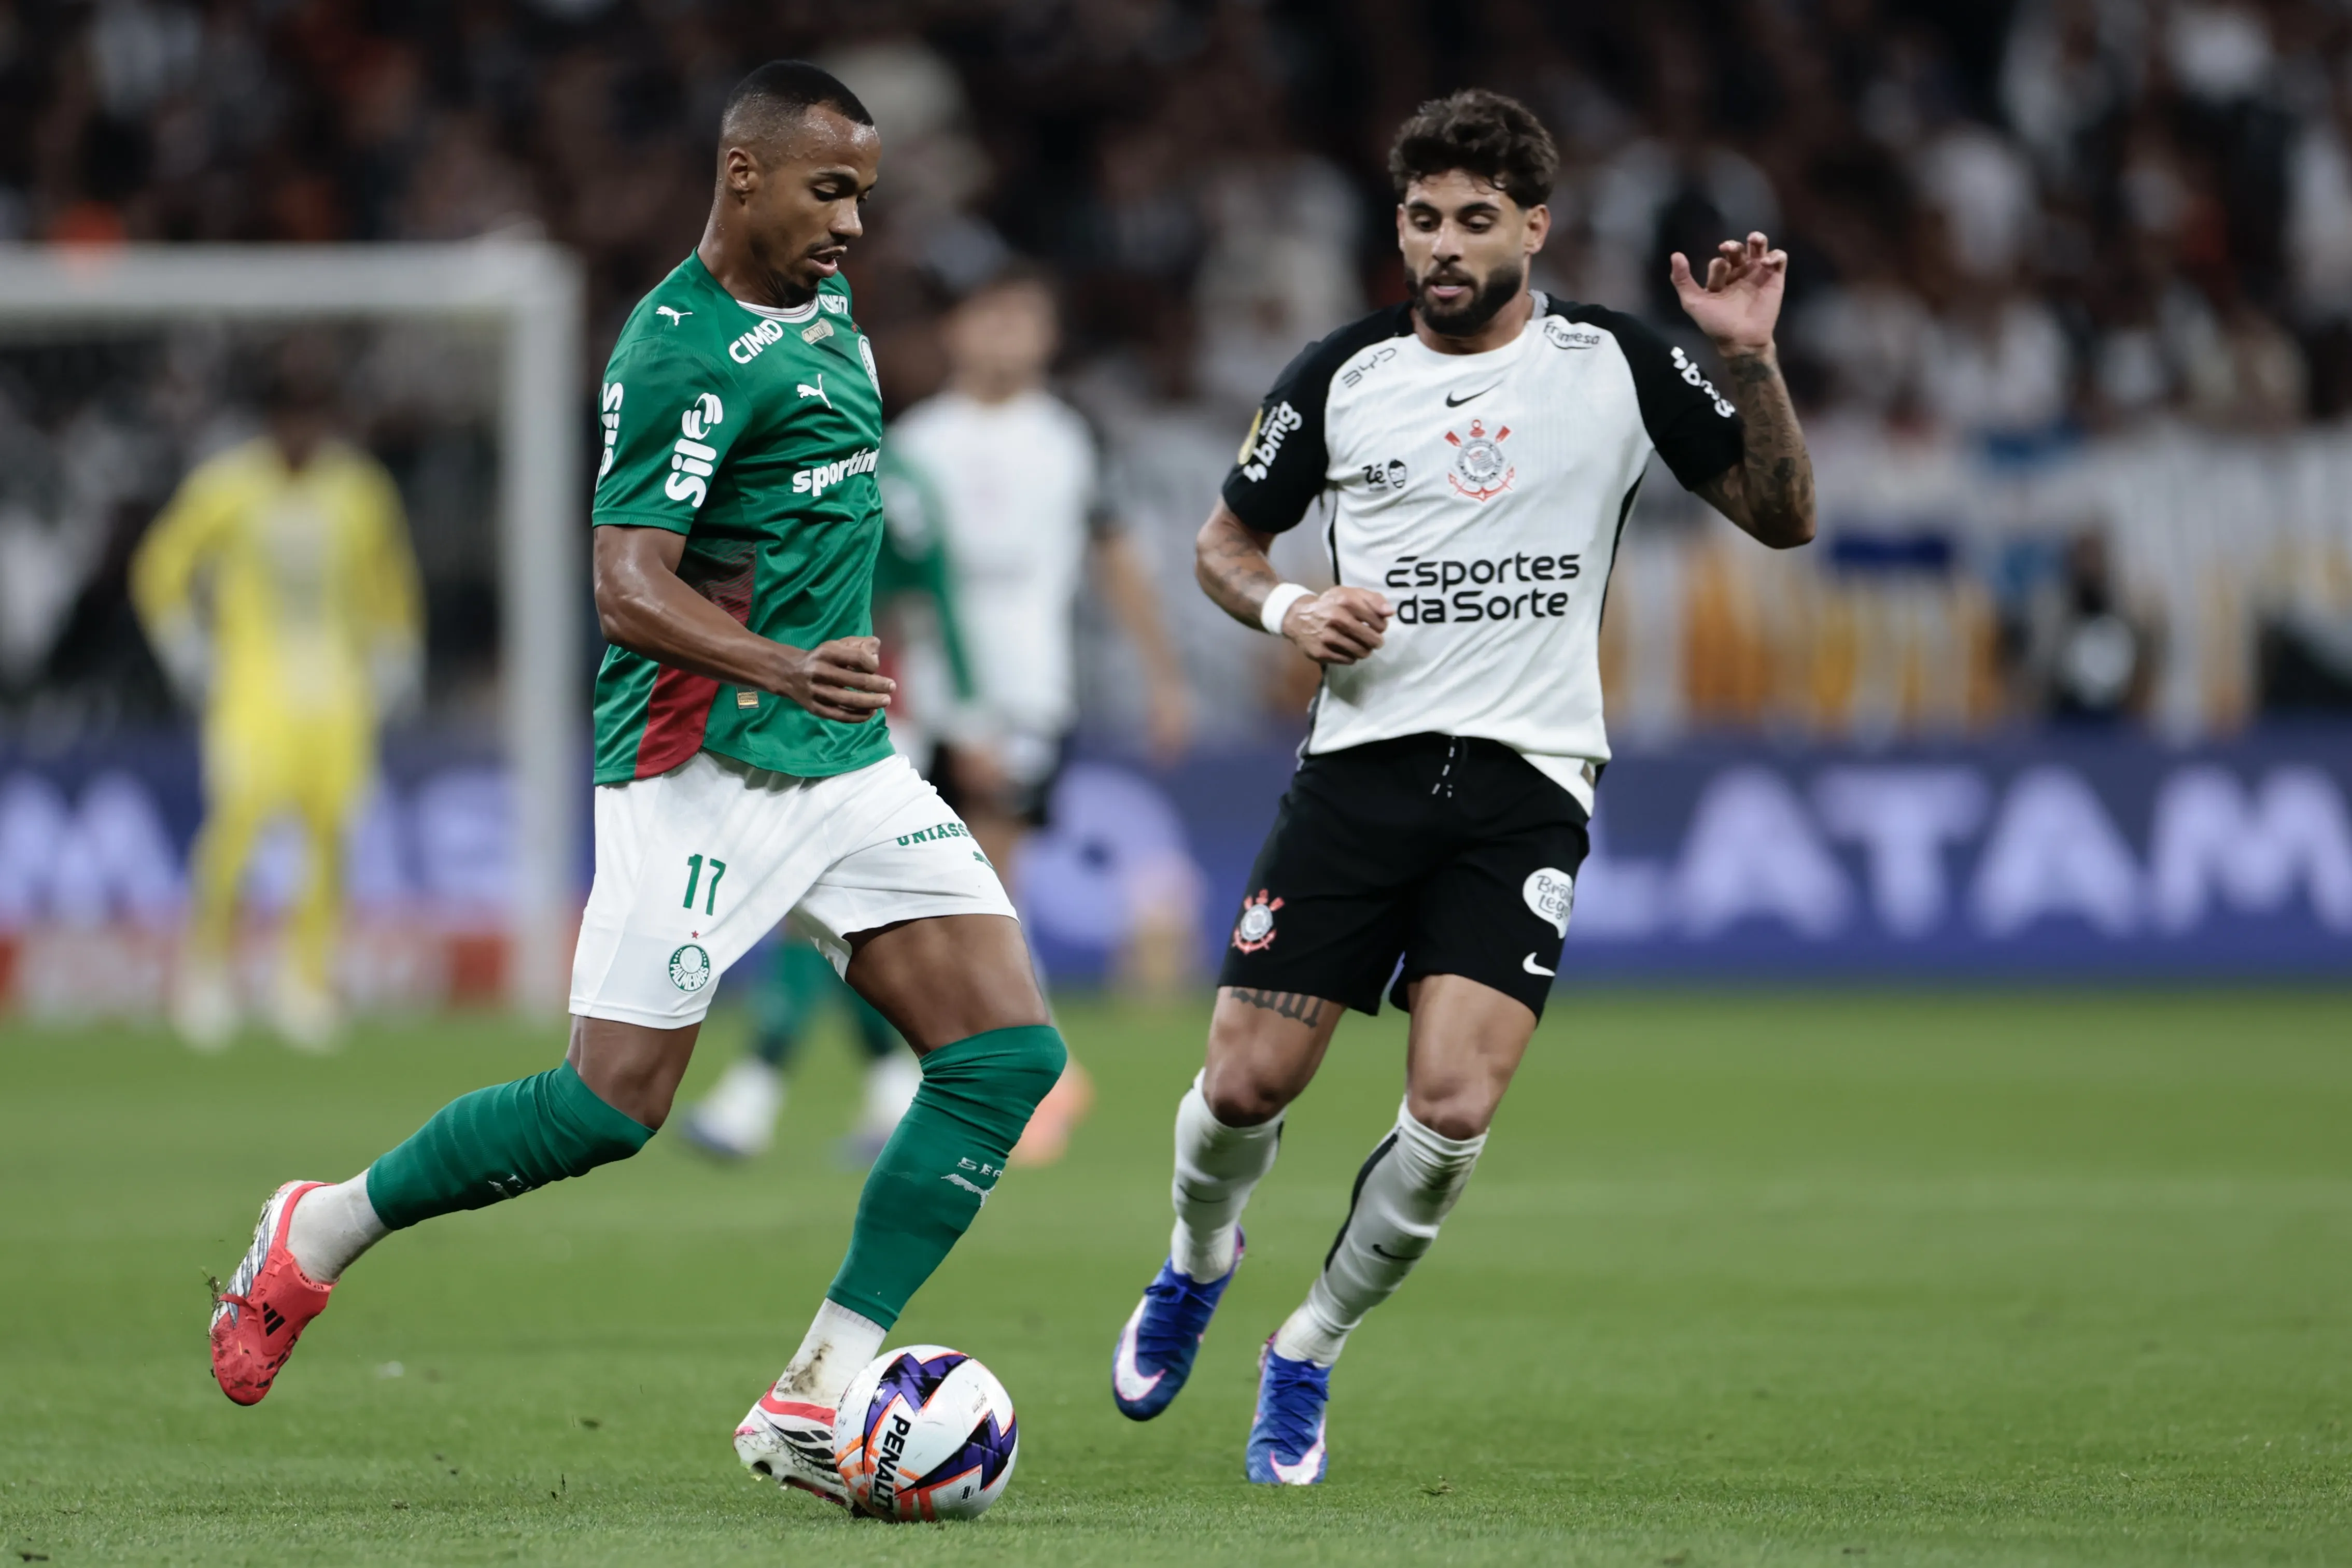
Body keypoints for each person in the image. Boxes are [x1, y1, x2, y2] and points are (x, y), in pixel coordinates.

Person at [206, 63, 1071, 1513]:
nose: (855, 224)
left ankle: (816, 1392)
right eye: (830, 190)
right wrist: (782, 665)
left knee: (1007, 1058)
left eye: (864, 194)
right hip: (697, 768)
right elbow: (625, 586)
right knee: (608, 1108)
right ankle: (320, 1228)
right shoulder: (677, 351)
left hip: (844, 769)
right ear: (744, 175)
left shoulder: (831, 309)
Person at [1107, 90, 1816, 1484]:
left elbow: (1783, 517)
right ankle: (1196, 1261)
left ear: (1534, 229)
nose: (1444, 244)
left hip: (1526, 787)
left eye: (1476, 220)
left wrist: (1749, 361)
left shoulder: (1616, 364)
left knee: (1452, 1111)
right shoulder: (1340, 374)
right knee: (1246, 1083)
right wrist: (1291, 611)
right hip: (1359, 776)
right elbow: (1223, 544)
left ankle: (1309, 1346)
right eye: (1424, 218)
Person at [892, 265, 1195, 1163]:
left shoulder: (1069, 437)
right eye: (991, 317)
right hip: (924, 693)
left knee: (989, 878)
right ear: (956, 330)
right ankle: (1014, 1065)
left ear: (1049, 338)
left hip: (1027, 689)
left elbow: (1117, 556)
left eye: (1025, 319)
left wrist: (1164, 677)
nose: (1007, 335)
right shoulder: (916, 440)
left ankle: (1026, 1073)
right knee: (936, 893)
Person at [681, 449, 975, 1165]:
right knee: (825, 912)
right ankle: (892, 1087)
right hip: (808, 702)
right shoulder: (865, 467)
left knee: (808, 903)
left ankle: (753, 1096)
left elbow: (931, 590)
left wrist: (967, 705)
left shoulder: (872, 473)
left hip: (857, 708)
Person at [131, 342, 424, 1052]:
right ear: (269, 420)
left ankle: (306, 983)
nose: (302, 432)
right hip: (251, 687)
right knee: (235, 829)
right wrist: (181, 641)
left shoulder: (357, 490)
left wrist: (397, 650)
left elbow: (390, 579)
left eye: (312, 417)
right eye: (290, 417)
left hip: (338, 691)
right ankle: (207, 976)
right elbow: (161, 563)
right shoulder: (229, 486)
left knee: (329, 835)